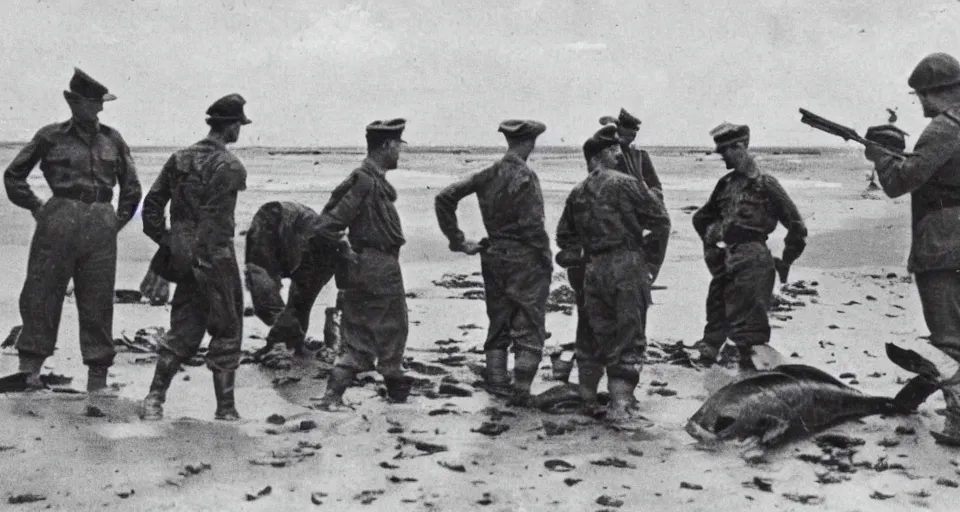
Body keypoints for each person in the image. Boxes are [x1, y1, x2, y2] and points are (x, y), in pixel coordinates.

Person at [3, 68, 142, 413]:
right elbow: (13, 175)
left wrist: (116, 222)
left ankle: (97, 380)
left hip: (100, 219)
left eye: (100, 102)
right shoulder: (50, 136)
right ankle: (29, 374)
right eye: (92, 102)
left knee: (97, 297)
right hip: (59, 216)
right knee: (41, 292)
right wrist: (37, 206)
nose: (99, 109)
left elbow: (132, 187)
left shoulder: (113, 139)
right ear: (74, 102)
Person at [863, 52, 960, 445]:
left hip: (942, 242)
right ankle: (916, 396)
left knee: (948, 339)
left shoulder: (944, 127)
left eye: (921, 95)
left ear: (938, 92)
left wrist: (881, 156)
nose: (920, 103)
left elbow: (899, 183)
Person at [139, 94, 251, 421]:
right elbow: (215, 223)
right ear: (230, 126)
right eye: (238, 125)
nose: (238, 132)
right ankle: (226, 409)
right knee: (228, 330)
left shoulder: (179, 158)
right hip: (216, 257)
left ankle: (154, 399)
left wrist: (171, 245)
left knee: (183, 330)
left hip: (183, 258)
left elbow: (151, 209)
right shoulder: (230, 166)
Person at [554, 125, 671, 421]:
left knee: (593, 334)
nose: (619, 156)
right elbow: (660, 220)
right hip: (626, 265)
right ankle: (620, 406)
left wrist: (580, 261)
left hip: (592, 269)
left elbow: (563, 237)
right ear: (598, 155)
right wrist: (651, 266)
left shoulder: (577, 192)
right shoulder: (628, 183)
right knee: (629, 335)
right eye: (613, 151)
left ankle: (588, 400)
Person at [435, 119, 553, 406]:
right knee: (529, 323)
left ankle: (498, 384)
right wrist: (545, 257)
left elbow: (444, 197)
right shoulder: (526, 177)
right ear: (530, 142)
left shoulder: (489, 173)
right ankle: (521, 390)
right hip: (525, 258)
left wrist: (458, 241)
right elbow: (532, 226)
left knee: (498, 322)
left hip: (494, 255)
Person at [313, 119, 413, 411]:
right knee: (373, 336)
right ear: (386, 145)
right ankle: (335, 398)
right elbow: (327, 226)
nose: (399, 154)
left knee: (382, 331)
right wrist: (345, 250)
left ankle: (392, 392)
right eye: (397, 147)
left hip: (378, 265)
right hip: (374, 267)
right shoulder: (364, 180)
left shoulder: (373, 180)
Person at [691, 123, 807, 372]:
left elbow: (797, 225)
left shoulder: (766, 184)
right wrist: (712, 250)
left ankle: (752, 383)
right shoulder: (725, 184)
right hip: (728, 259)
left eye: (725, 151)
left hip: (753, 260)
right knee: (715, 321)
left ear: (740, 147)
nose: (721, 157)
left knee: (750, 332)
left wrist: (786, 260)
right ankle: (714, 384)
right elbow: (701, 218)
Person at [244, 201, 345, 355]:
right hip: (291, 227)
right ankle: (288, 341)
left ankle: (290, 342)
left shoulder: (318, 250)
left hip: (315, 244)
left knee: (298, 303)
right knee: (280, 300)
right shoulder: (269, 228)